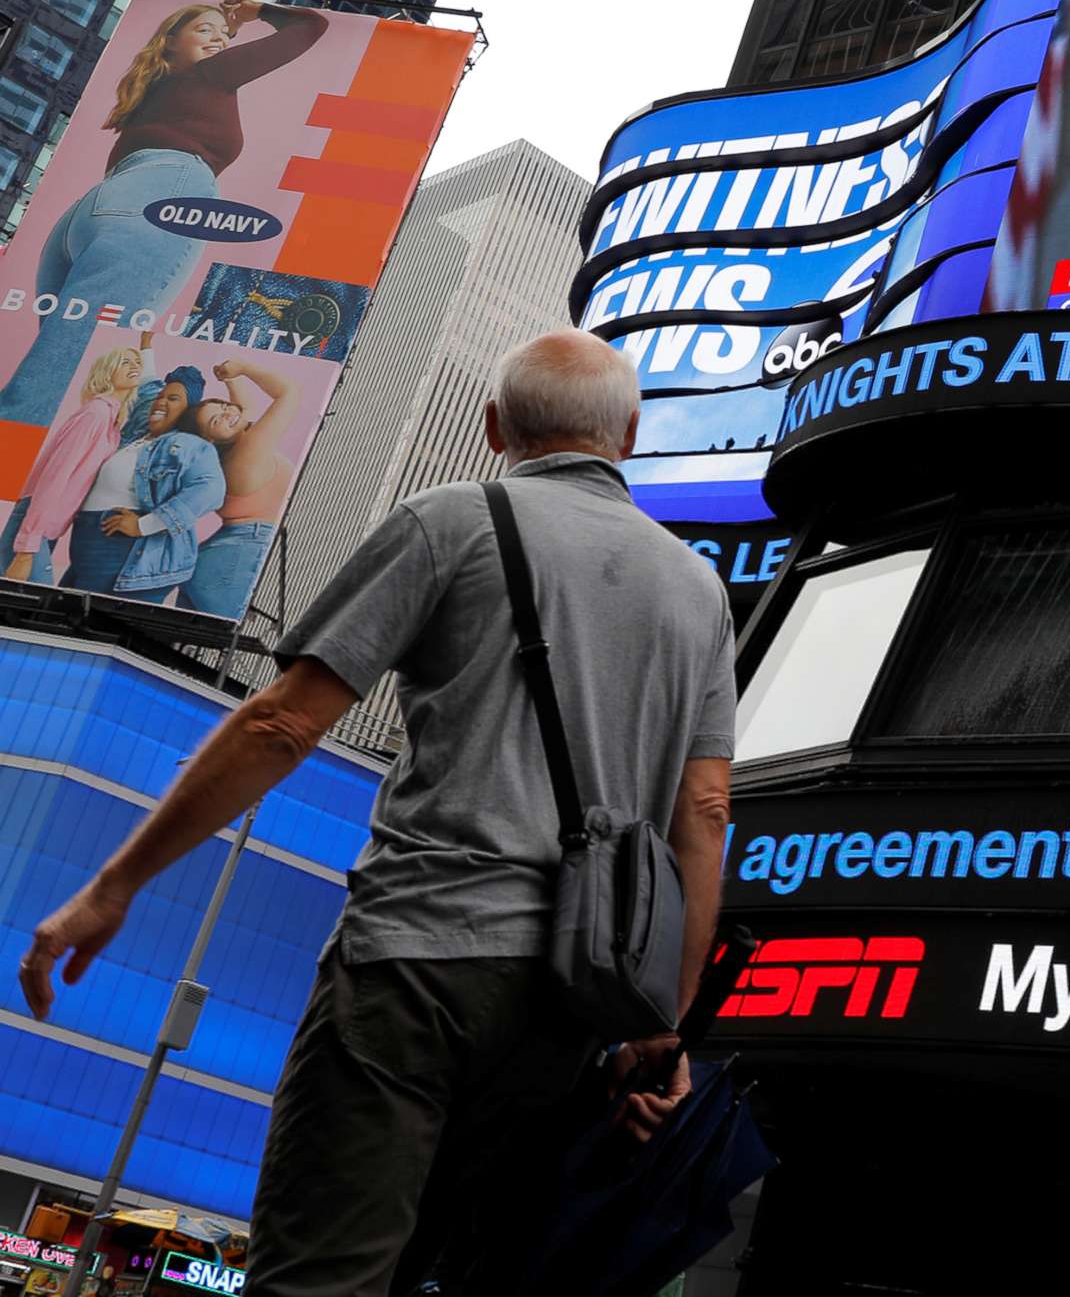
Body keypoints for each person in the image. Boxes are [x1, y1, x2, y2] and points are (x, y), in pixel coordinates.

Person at [15, 329, 740, 1297]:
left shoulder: (449, 522)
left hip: (416, 972)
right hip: (569, 1015)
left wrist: (116, 885)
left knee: (323, 1279)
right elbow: (705, 809)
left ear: (493, 427)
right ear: (631, 434)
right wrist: (662, 1028)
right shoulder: (698, 591)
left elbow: (281, 725)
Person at [0, 0, 325, 438]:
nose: (221, 40)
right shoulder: (212, 73)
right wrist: (255, 13)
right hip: (160, 198)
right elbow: (310, 27)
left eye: (225, 35)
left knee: (53, 365)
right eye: (206, 30)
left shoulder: (149, 93)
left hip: (92, 210)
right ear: (170, 41)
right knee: (63, 379)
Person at [57, 366, 225, 604]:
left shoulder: (186, 444)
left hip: (120, 548)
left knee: (86, 621)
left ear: (188, 410)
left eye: (173, 399)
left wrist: (144, 525)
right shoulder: (137, 437)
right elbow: (147, 390)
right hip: (89, 541)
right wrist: (147, 342)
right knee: (65, 613)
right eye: (161, 397)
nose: (161, 402)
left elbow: (210, 490)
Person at [2, 339, 144, 586]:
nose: (134, 365)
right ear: (107, 372)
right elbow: (54, 477)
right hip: (35, 520)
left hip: (48, 526)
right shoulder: (96, 414)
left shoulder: (112, 420)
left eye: (136, 362)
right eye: (124, 362)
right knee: (36, 602)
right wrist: (27, 547)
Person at [174, 356, 299, 619]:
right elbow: (288, 393)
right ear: (208, 439)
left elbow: (241, 409)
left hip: (222, 558)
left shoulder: (233, 449)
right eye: (215, 419)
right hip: (237, 557)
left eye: (222, 404)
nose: (228, 412)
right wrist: (245, 366)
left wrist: (229, 378)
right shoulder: (246, 454)